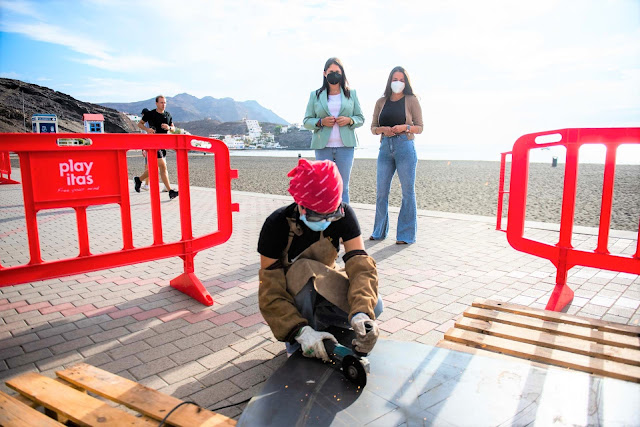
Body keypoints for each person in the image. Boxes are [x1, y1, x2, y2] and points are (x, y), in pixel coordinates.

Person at [258, 159, 382, 362]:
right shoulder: (276, 225)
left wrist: (361, 313)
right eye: (318, 216)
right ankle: (301, 337)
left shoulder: (344, 215)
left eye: (332, 215)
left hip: (323, 281)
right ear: (301, 205)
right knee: (303, 270)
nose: (325, 221)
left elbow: (361, 267)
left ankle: (324, 323)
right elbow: (270, 290)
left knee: (375, 305)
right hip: (293, 295)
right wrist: (299, 330)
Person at [369, 66, 423, 245]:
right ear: (389, 81)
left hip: (405, 146)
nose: (398, 83)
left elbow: (420, 127)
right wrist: (382, 130)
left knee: (407, 192)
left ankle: (406, 235)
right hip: (385, 147)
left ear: (406, 82)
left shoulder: (411, 100)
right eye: (395, 79)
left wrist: (405, 127)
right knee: (381, 192)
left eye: (401, 80)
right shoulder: (381, 102)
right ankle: (379, 232)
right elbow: (373, 128)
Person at [303, 58, 364, 205]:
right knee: (324, 187)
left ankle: (344, 217)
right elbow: (306, 121)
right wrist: (320, 122)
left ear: (342, 73)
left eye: (337, 71)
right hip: (323, 147)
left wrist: (349, 120)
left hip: (346, 147)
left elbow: (360, 118)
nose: (334, 74)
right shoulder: (315, 95)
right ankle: (325, 218)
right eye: (331, 71)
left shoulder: (352, 93)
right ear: (325, 73)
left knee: (343, 187)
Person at [134, 95, 178, 200]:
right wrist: (147, 129)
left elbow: (174, 128)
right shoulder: (150, 114)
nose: (163, 105)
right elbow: (140, 124)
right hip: (153, 144)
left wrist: (169, 127)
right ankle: (170, 191)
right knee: (163, 166)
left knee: (156, 168)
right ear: (156, 103)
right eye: (161, 102)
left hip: (163, 145)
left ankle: (139, 180)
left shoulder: (168, 115)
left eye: (165, 103)